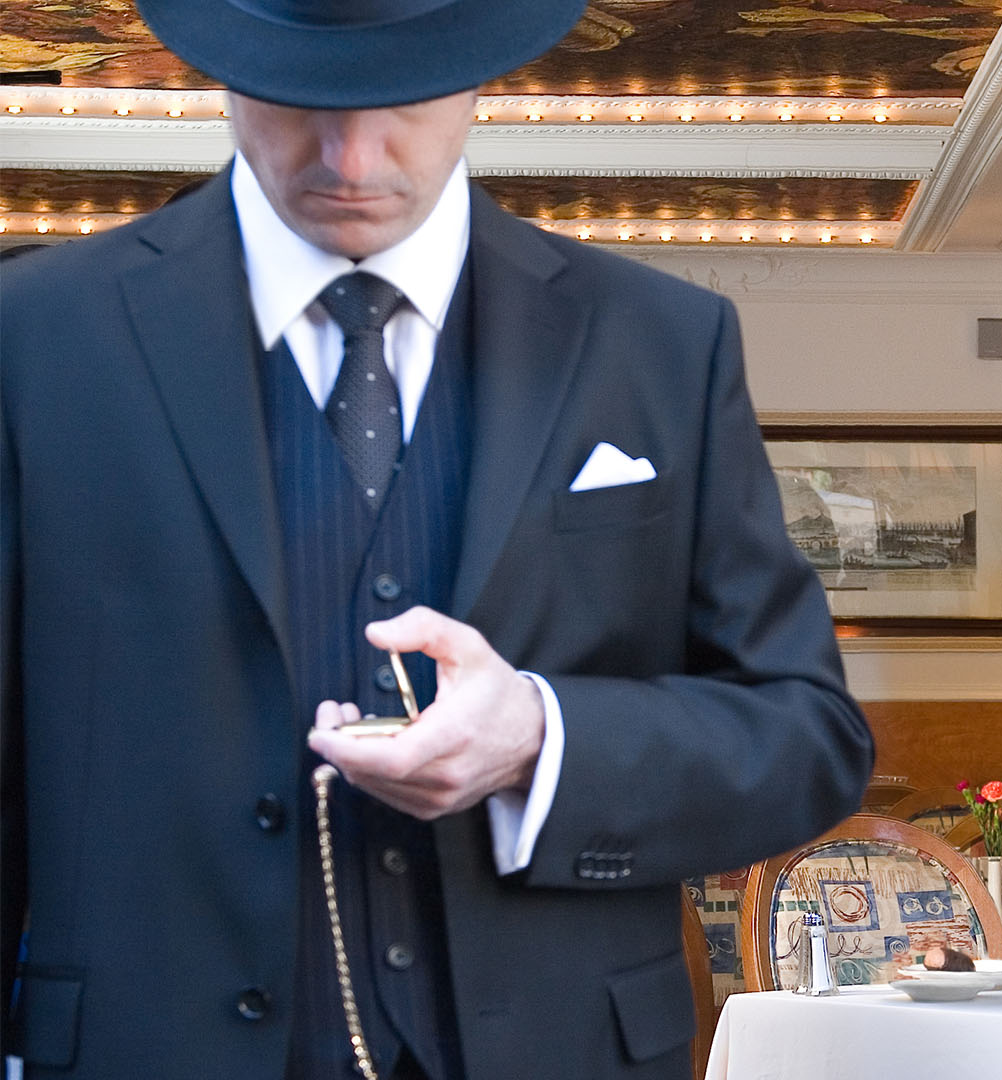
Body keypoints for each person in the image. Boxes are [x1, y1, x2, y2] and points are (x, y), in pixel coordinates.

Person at [0, 1, 873, 1077]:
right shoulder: (33, 339)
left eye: (403, 96)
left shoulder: (663, 343)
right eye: (299, 95)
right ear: (225, 68)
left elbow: (807, 735)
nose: (352, 156)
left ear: (478, 75)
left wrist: (542, 742)